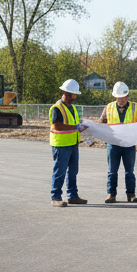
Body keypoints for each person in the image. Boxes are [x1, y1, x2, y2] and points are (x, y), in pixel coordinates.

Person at [49, 79, 89, 208]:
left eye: (74, 95)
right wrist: (76, 127)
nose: (73, 98)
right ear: (65, 93)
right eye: (72, 95)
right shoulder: (57, 108)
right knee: (59, 171)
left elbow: (73, 124)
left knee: (73, 171)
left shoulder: (72, 108)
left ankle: (72, 196)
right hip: (61, 144)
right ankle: (56, 197)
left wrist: (80, 127)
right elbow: (57, 125)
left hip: (72, 143)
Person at [102, 81, 137, 203]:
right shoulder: (108, 108)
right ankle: (111, 194)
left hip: (129, 144)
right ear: (115, 96)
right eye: (119, 98)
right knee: (112, 171)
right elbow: (101, 123)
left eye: (123, 97)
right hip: (113, 145)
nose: (121, 100)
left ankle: (131, 194)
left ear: (127, 95)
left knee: (129, 171)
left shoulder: (135, 107)